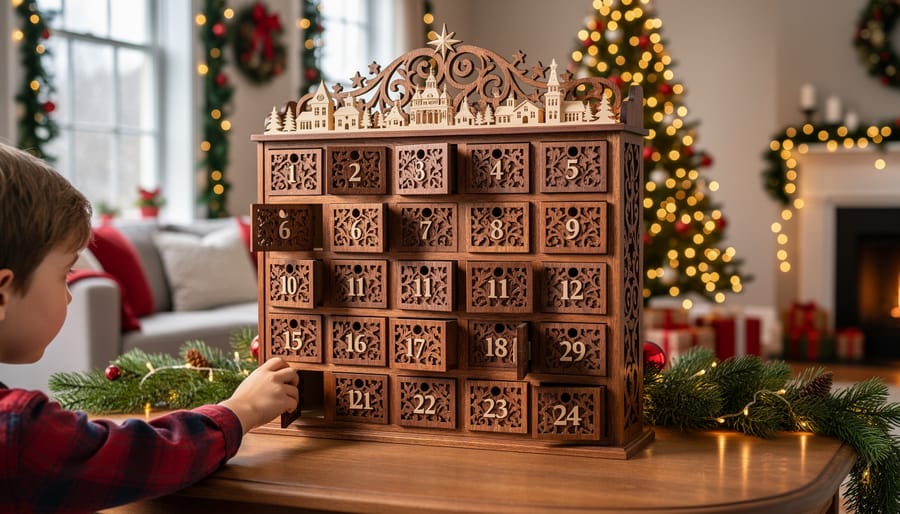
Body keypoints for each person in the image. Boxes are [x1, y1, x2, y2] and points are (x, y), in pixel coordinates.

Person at [0, 142, 300, 513]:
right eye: (65, 274)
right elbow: (138, 456)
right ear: (2, 294)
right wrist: (243, 408)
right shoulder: (16, 434)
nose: (70, 295)